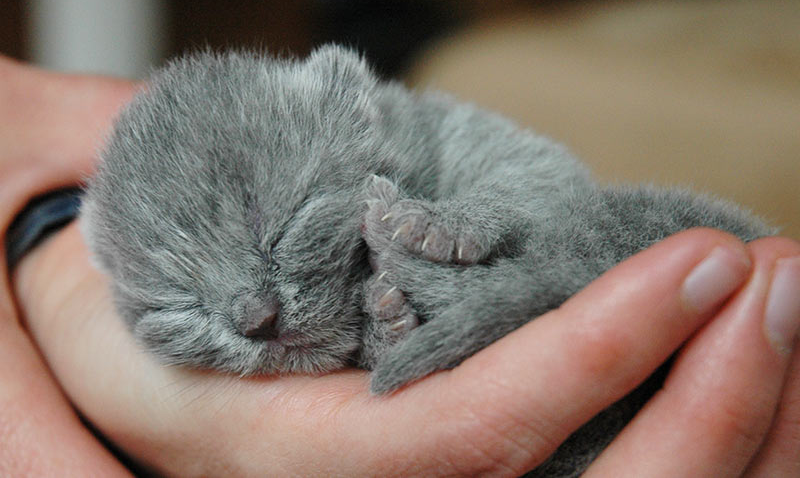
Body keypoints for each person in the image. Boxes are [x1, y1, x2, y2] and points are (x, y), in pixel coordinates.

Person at [1, 53, 798, 477]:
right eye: (177, 303)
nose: (253, 315)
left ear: (350, 104)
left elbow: (549, 182)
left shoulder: (421, 136)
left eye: (280, 233)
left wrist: (467, 224)